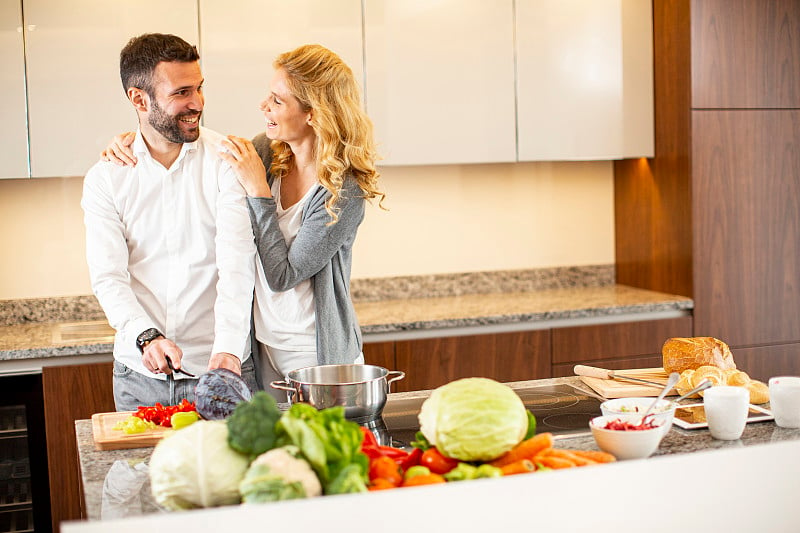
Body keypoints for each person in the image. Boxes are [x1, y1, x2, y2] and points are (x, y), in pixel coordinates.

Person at [102, 44, 384, 397]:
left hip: (318, 353)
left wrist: (258, 191)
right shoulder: (266, 153)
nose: (264, 106)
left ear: (313, 114)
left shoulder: (343, 190)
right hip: (265, 348)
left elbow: (283, 276)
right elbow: (179, 138)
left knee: (325, 449)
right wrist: (134, 140)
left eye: (277, 101)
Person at [83, 33, 258, 411]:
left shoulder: (225, 161)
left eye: (198, 88)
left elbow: (237, 264)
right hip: (140, 378)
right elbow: (108, 277)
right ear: (139, 99)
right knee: (139, 472)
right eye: (181, 92)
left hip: (222, 370)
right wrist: (145, 337)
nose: (196, 103)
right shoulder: (107, 177)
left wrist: (228, 350)